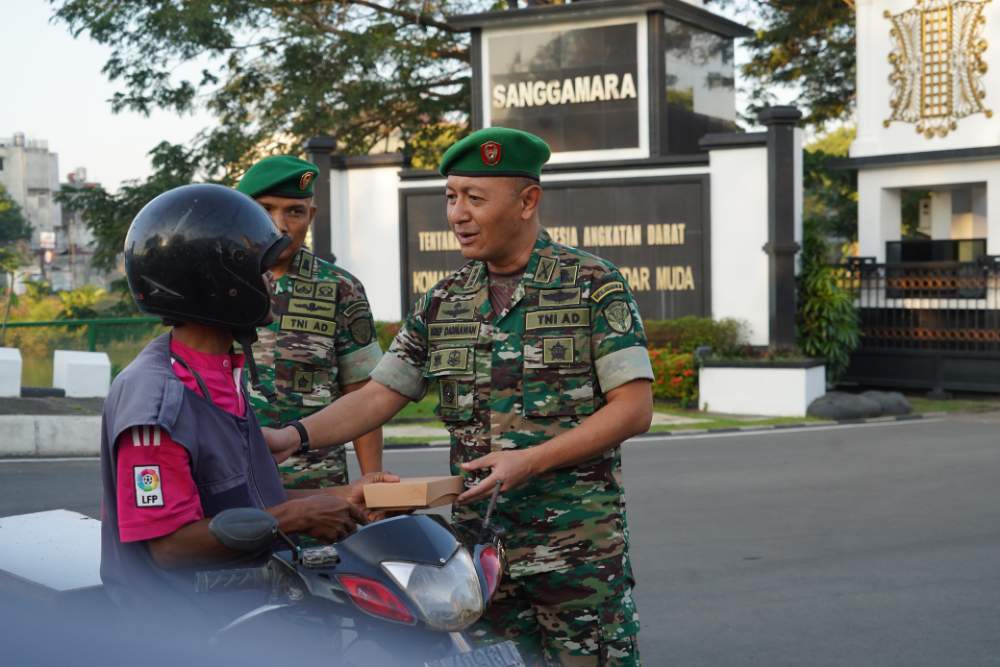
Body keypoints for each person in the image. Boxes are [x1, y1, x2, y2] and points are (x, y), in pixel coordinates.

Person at [263, 128, 654, 666]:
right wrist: (293, 435)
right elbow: (379, 393)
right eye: (450, 197)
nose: (457, 214)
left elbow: (633, 409)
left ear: (526, 201)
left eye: (475, 197)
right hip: (477, 564)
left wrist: (530, 461)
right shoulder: (444, 301)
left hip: (577, 559)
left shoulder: (593, 285)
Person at [98, 183, 395, 621]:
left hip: (243, 615)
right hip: (180, 633)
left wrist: (342, 496)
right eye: (261, 271)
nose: (272, 282)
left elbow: (240, 501)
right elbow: (168, 546)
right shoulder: (158, 400)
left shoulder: (219, 373)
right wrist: (295, 516)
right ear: (219, 285)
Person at [235, 156, 384, 489]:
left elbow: (362, 392)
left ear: (311, 217)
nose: (280, 225)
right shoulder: (221, 285)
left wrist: (373, 484)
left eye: (294, 211)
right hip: (234, 486)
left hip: (321, 493)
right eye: (266, 209)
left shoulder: (339, 288)